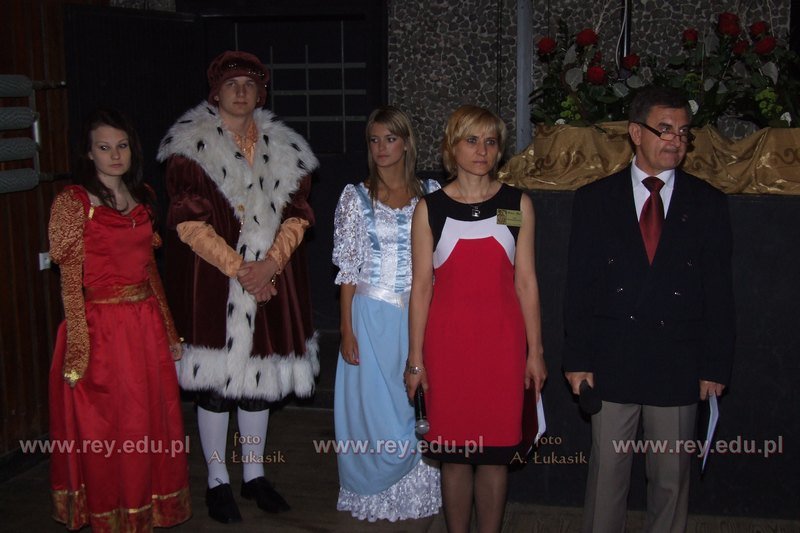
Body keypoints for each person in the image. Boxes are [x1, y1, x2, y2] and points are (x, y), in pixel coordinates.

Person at [562, 85, 736, 532]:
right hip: (611, 358)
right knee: (607, 478)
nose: (676, 140)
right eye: (665, 129)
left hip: (678, 360)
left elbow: (719, 292)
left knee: (671, 481)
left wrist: (715, 365)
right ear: (636, 133)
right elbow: (579, 287)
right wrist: (577, 359)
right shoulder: (595, 200)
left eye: (683, 131)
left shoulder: (708, 203)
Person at [157, 50, 318, 523]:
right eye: (232, 84)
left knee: (258, 384)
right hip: (214, 282)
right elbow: (188, 223)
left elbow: (298, 216)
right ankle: (217, 480)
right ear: (216, 92)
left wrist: (269, 266)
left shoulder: (286, 148)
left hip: (272, 280)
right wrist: (243, 270)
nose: (241, 92)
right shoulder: (190, 150)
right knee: (215, 387)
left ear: (261, 93)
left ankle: (254, 476)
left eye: (250, 84)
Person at [406, 104, 547, 533]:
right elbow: (421, 288)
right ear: (452, 147)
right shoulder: (429, 208)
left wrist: (536, 353)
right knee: (453, 458)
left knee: (494, 457)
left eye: (490, 141)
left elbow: (526, 282)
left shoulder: (515, 204)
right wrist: (415, 359)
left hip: (502, 349)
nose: (482, 150)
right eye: (472, 140)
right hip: (448, 350)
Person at [48, 108, 191, 531]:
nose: (115, 155)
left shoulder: (142, 196)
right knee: (108, 426)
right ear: (89, 154)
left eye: (122, 146)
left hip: (144, 327)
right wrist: (78, 347)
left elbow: (150, 272)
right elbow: (69, 282)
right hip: (101, 330)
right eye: (104, 147)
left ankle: (144, 508)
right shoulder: (73, 204)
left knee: (147, 420)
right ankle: (112, 512)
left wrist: (169, 330)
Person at [332, 106, 442, 521]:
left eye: (390, 139)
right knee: (373, 407)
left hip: (418, 314)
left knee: (412, 400)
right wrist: (346, 328)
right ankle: (374, 489)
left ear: (407, 143)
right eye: (374, 140)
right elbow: (348, 268)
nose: (382, 148)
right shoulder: (354, 197)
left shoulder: (431, 193)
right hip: (370, 314)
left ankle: (418, 488)